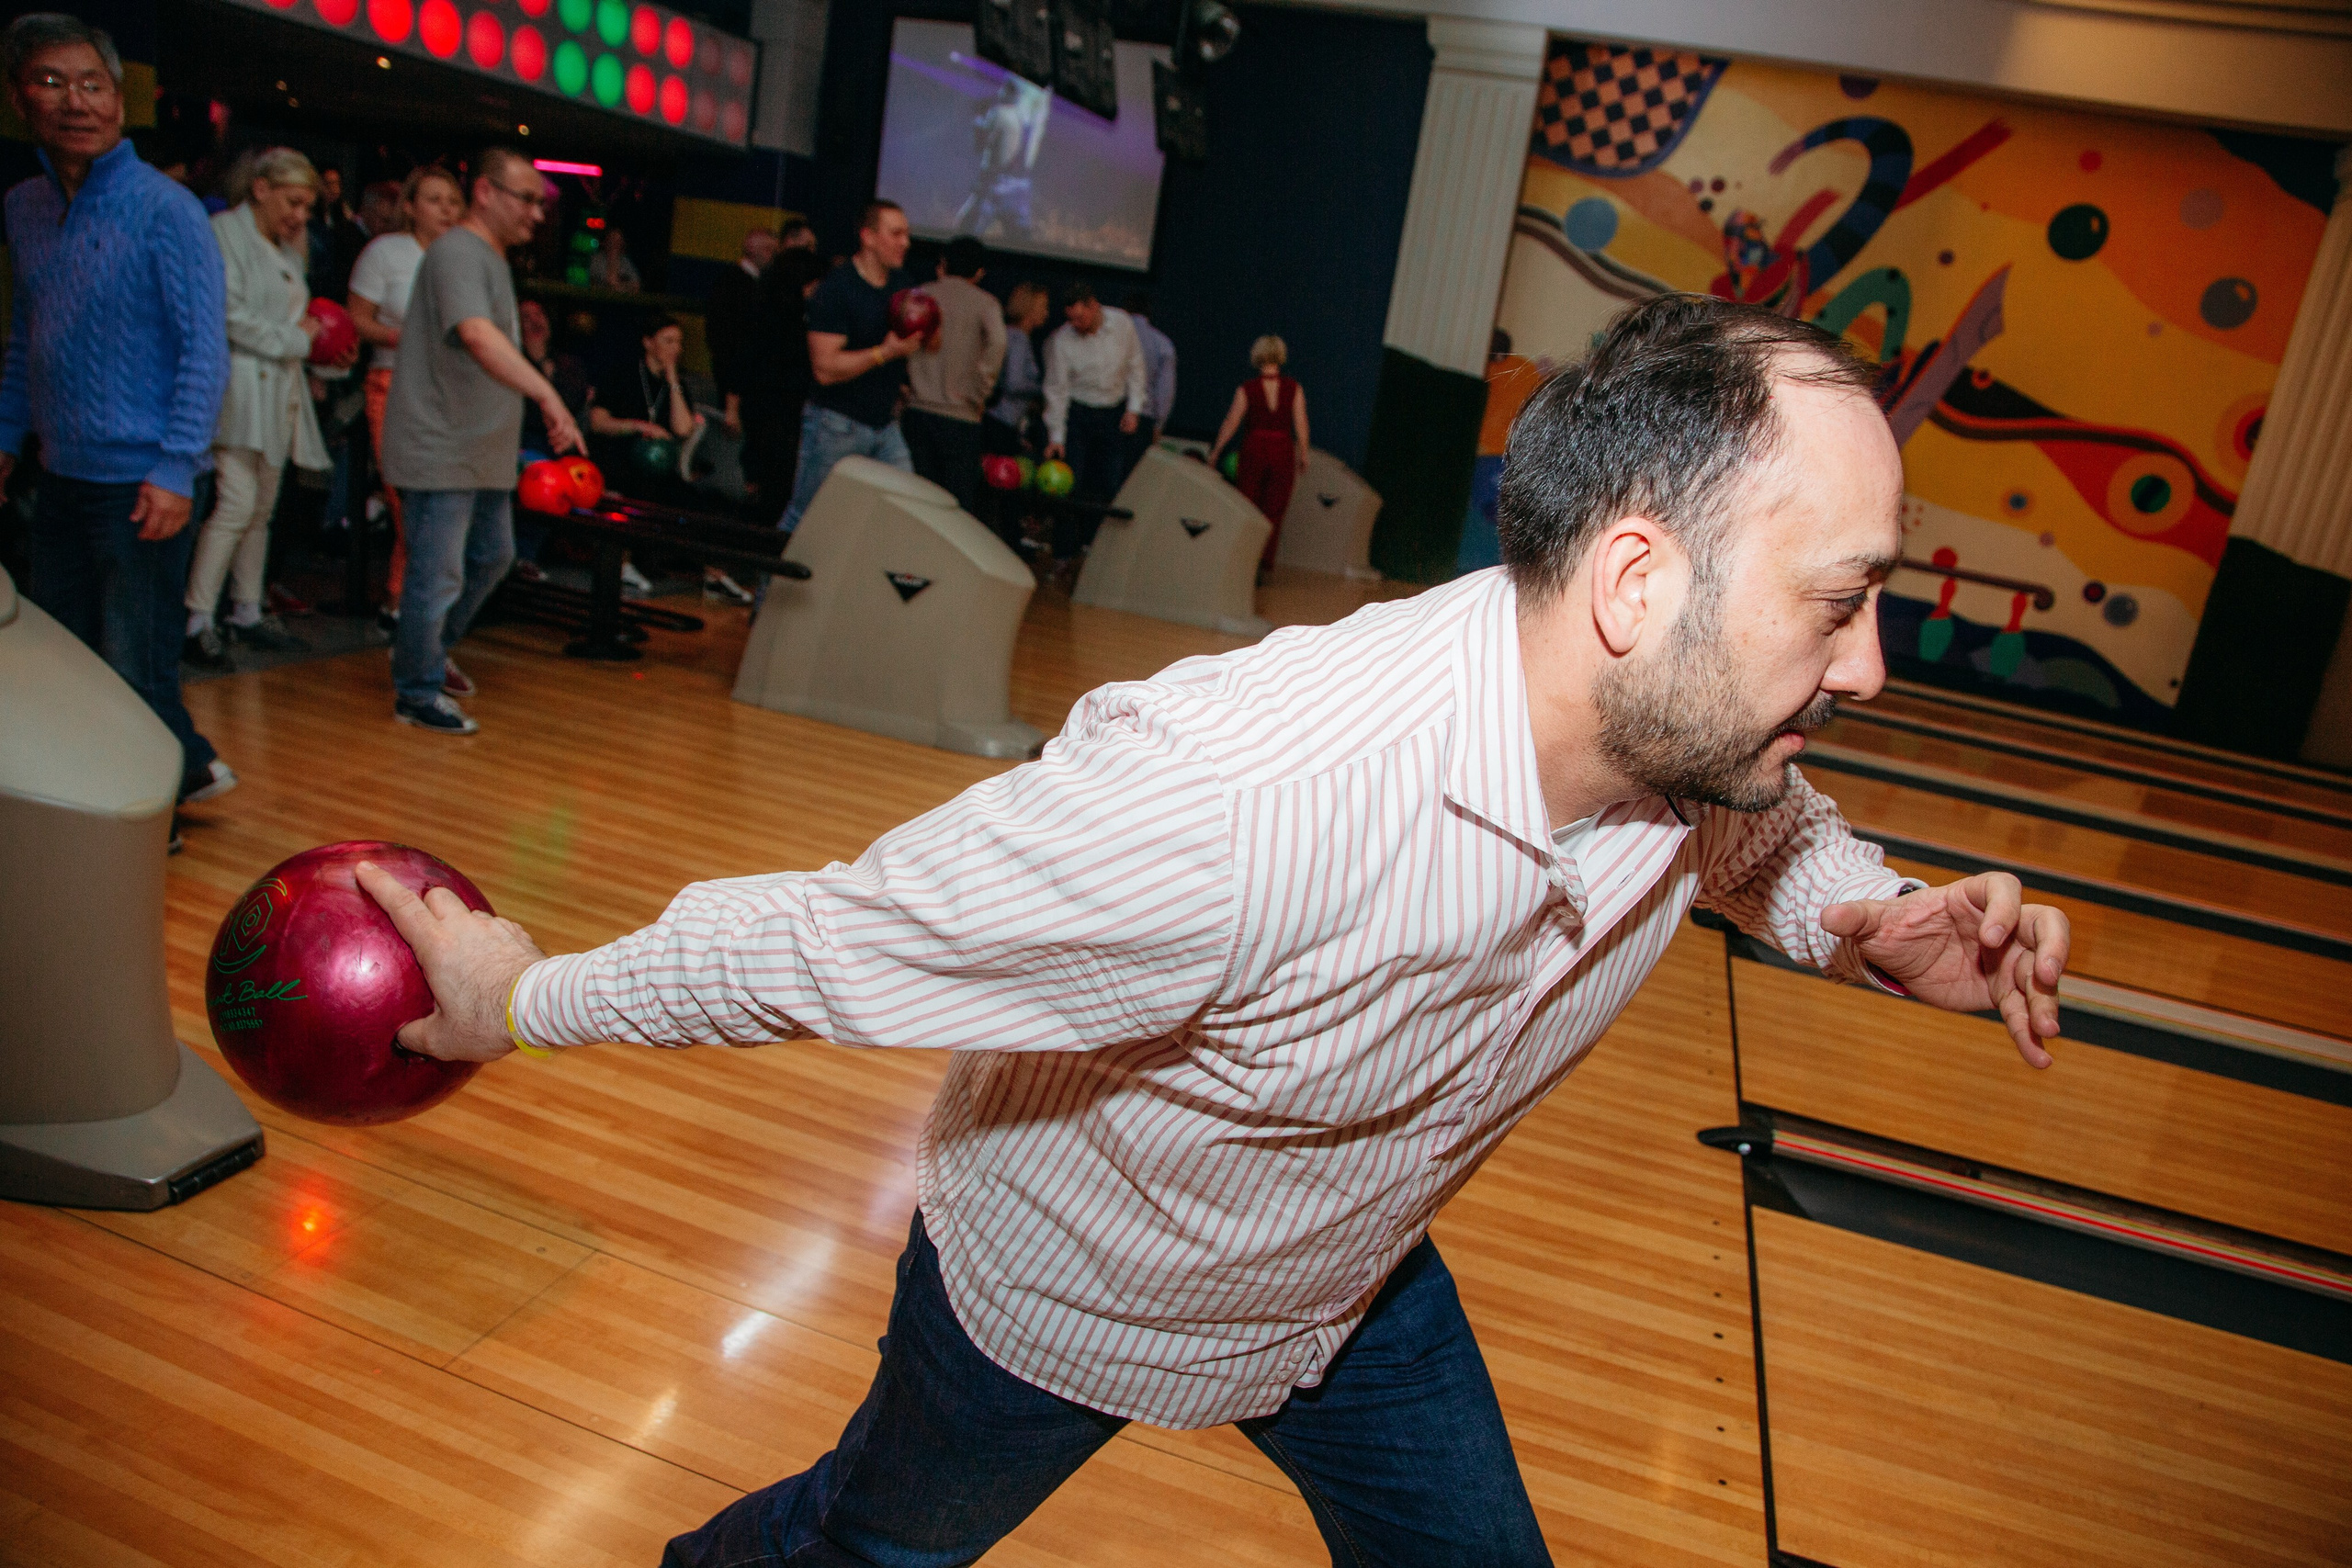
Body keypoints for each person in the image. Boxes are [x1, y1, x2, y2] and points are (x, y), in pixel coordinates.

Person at [362, 295, 2072, 1567]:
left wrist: (1862, 916)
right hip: (1072, 1289)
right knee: (867, 1548)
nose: (1867, 667)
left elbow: (1764, 830)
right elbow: (834, 938)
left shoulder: (1677, 733)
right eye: (1838, 602)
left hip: (1351, 1274)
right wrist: (525, 995)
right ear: (1637, 582)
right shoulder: (1227, 799)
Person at [0, 13, 234, 808]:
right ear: (19, 99)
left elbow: (205, 349)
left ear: (119, 99)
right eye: (52, 82)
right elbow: (27, 336)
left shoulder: (167, 208)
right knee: (61, 660)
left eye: (93, 84)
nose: (76, 101)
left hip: (143, 483)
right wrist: (6, 437)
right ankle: (113, 801)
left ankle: (147, 825)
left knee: (136, 665)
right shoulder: (24, 206)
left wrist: (175, 469)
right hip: (59, 473)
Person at [379, 145, 582, 735]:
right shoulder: (458, 252)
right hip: (442, 447)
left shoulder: (489, 258)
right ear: (487, 193)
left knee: (493, 556)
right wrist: (546, 394)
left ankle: (423, 651)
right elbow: (475, 334)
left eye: (542, 204)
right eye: (527, 200)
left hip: (480, 451)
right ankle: (416, 690)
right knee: (436, 572)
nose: (537, 214)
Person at [182, 146, 355, 667]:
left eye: (307, 207)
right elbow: (228, 316)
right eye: (293, 202)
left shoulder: (286, 252)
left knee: (260, 511)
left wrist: (327, 358)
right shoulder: (223, 234)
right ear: (261, 189)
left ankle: (247, 610)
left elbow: (298, 329)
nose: (300, 216)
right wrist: (300, 341)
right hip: (237, 389)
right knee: (236, 504)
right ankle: (197, 618)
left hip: (277, 392)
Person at [348, 164, 466, 624]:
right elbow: (358, 319)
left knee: (439, 500)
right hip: (393, 382)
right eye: (434, 200)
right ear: (411, 207)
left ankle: (405, 602)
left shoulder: (464, 257)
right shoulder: (385, 252)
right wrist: (404, 338)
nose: (445, 210)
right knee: (406, 497)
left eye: (452, 202)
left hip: (448, 390)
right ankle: (407, 601)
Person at [777, 199, 921, 534]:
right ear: (868, 237)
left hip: (884, 424)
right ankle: (770, 571)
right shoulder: (838, 288)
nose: (905, 242)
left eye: (907, 234)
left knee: (908, 514)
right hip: (837, 424)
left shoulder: (902, 284)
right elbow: (825, 368)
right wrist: (885, 353)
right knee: (805, 518)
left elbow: (923, 343)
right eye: (896, 234)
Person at [902, 235, 1006, 514]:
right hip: (962, 415)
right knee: (955, 506)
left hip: (917, 409)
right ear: (980, 272)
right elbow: (998, 343)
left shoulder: (920, 295)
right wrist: (979, 391)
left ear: (944, 263)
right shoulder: (986, 304)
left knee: (915, 499)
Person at [1208, 334, 1310, 572]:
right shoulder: (1294, 388)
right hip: (1282, 448)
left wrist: (1216, 451)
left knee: (1248, 503)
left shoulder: (1247, 389)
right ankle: (1262, 562)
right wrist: (1304, 453)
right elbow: (1301, 423)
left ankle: (1242, 558)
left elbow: (1232, 422)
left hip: (1254, 448)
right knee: (1274, 509)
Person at [1042, 280, 1145, 505]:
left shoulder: (1121, 322)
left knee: (1110, 482)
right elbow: (1057, 390)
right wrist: (1056, 437)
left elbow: (1136, 366)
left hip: (1113, 412)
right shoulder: (1062, 340)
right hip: (1079, 413)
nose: (1076, 324)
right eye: (1071, 319)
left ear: (1094, 306)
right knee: (1073, 481)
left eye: (1080, 318)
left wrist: (1134, 409)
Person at [982, 280, 1049, 457]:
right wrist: (1042, 388)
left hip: (995, 419)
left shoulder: (1007, 333)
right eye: (1043, 307)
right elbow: (1014, 383)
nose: (1046, 313)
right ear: (1030, 309)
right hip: (1002, 422)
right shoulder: (1019, 339)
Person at [586, 225, 640, 292]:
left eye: (618, 241)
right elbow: (591, 282)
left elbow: (636, 285)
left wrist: (621, 287)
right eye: (612, 240)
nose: (614, 244)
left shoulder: (625, 262)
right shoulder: (596, 260)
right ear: (606, 241)